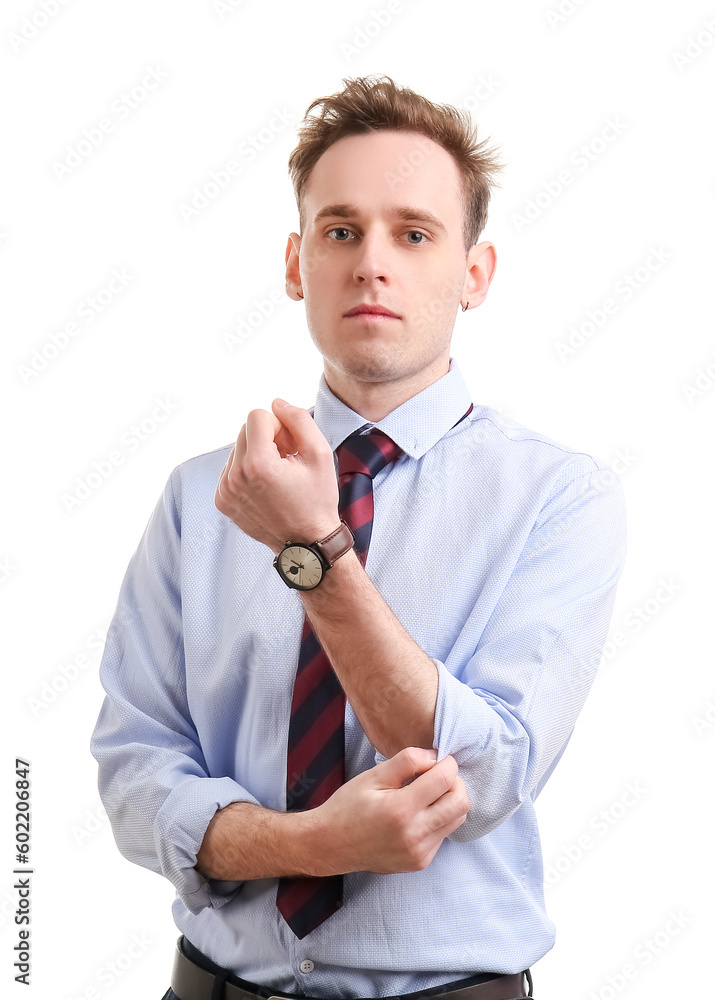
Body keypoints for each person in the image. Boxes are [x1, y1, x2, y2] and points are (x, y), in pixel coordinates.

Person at [90, 74, 627, 1000]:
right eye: (341, 231)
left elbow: (481, 779)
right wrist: (312, 843)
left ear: (474, 273)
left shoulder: (559, 497)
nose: (371, 262)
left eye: (413, 234)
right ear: (298, 264)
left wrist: (311, 550)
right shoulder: (196, 499)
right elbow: (134, 776)